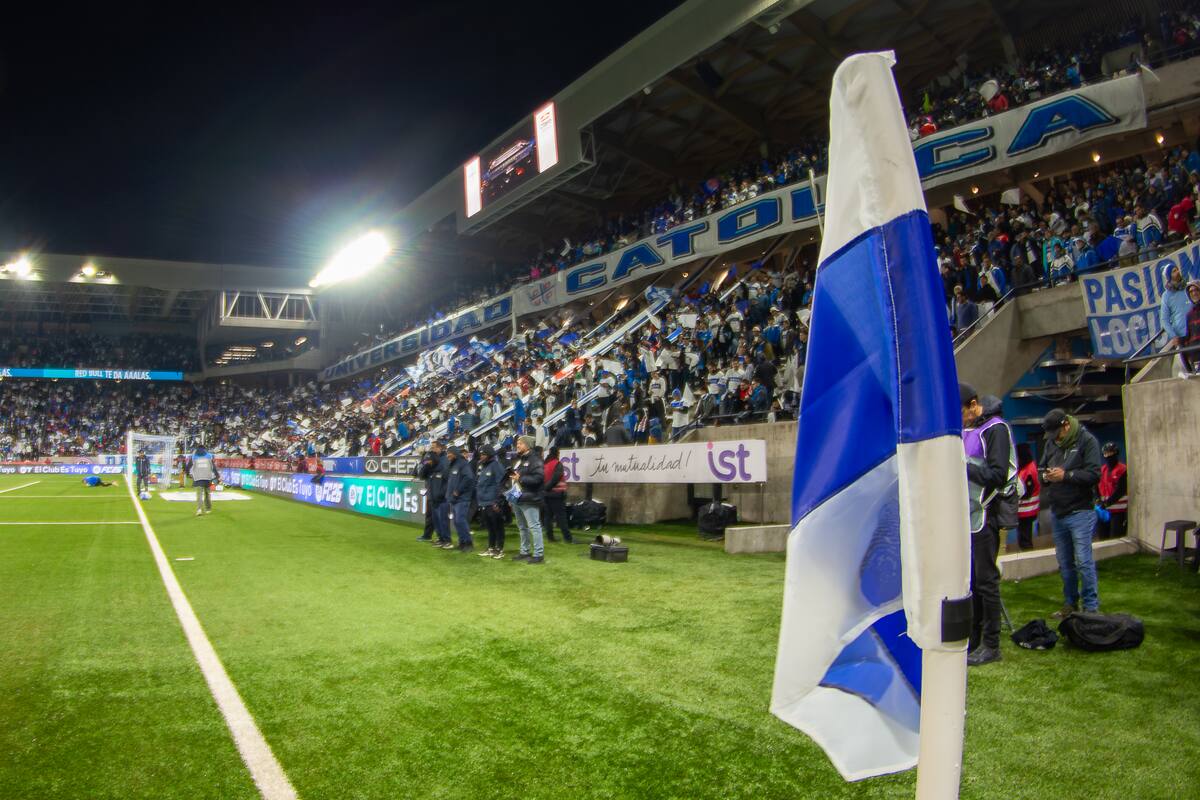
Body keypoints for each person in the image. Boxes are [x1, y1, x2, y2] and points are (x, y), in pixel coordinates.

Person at [961, 386, 1017, 667]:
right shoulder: (969, 430)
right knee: (971, 582)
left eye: (961, 413)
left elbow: (996, 474)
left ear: (973, 405)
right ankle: (972, 640)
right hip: (968, 517)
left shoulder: (996, 429)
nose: (960, 420)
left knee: (986, 581)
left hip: (986, 514)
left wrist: (962, 465)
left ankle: (991, 644)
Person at [1038, 408, 1103, 617]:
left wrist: (1066, 476)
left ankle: (1091, 607)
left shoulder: (1087, 441)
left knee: (1084, 561)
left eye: (1057, 433)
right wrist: (1046, 477)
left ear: (1066, 425)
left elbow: (1094, 474)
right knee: (1065, 563)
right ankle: (1070, 603)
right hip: (1058, 511)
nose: (1055, 438)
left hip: (1080, 511)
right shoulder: (1051, 444)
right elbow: (1041, 470)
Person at [509, 435, 545, 564]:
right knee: (522, 527)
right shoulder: (519, 460)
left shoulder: (535, 460)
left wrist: (521, 479)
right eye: (517, 443)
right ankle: (524, 551)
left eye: (520, 443)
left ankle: (538, 554)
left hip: (530, 498)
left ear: (528, 445)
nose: (517, 445)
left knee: (534, 526)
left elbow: (538, 479)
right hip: (518, 498)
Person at [474, 445, 508, 559]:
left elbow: (502, 484)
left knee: (498, 526)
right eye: (481, 454)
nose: (481, 456)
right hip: (483, 502)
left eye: (484, 454)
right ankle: (491, 548)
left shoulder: (496, 466)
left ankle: (500, 549)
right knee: (490, 527)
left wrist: (497, 501)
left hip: (493, 502)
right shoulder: (481, 466)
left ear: (489, 455)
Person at [443, 446, 475, 552]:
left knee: (460, 520)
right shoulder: (452, 465)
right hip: (454, 499)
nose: (448, 455)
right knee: (456, 522)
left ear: (455, 453)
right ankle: (462, 542)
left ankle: (468, 542)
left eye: (449, 453)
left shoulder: (462, 463)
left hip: (462, 498)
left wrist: (458, 490)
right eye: (447, 453)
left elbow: (469, 477)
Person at [1096, 442, 1128, 540]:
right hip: (1103, 511)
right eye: (1106, 454)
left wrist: (1107, 503)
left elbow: (1121, 490)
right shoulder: (1102, 470)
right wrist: (1098, 500)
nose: (1108, 456)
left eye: (1111, 453)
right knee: (1102, 538)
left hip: (1119, 510)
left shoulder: (1122, 469)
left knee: (1116, 538)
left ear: (1116, 453)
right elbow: (1096, 487)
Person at [542, 446, 573, 544]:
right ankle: (567, 538)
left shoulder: (545, 464)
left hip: (546, 495)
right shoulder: (557, 464)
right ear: (557, 453)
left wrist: (544, 490)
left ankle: (550, 537)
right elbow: (556, 478)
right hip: (556, 494)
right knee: (561, 517)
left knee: (548, 517)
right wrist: (548, 488)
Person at [1015, 443, 1040, 551]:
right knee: (1024, 533)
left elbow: (1026, 492)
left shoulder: (1029, 469)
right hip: (1026, 509)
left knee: (1025, 535)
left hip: (1027, 509)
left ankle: (1027, 551)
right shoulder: (1028, 467)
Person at [190, 445, 217, 516]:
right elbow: (213, 466)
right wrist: (217, 476)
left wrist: (189, 473)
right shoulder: (209, 455)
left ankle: (199, 509)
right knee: (207, 493)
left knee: (199, 494)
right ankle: (208, 508)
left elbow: (191, 466)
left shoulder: (194, 456)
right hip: (207, 477)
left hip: (198, 478)